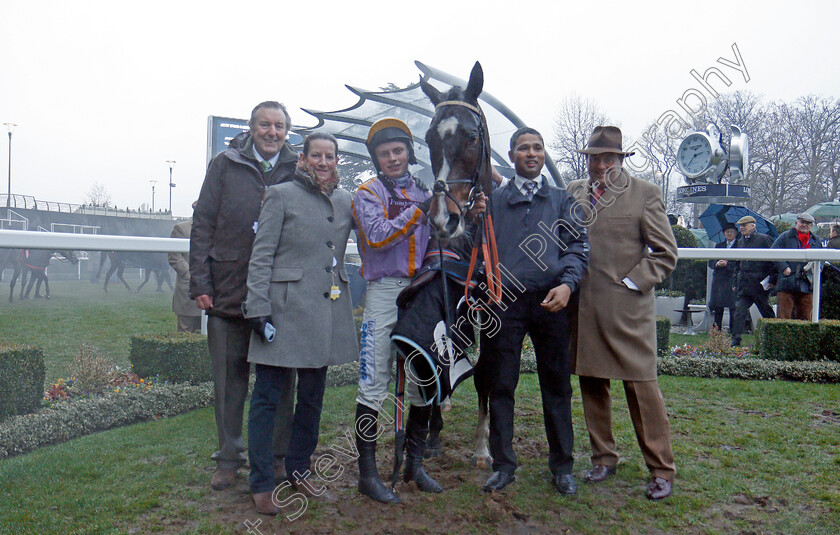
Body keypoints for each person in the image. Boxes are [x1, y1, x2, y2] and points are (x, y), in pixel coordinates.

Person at [243, 133, 358, 515]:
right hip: (283, 310)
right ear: (304, 158)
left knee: (312, 397)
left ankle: (299, 468)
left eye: (330, 156)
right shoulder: (281, 195)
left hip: (326, 312)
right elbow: (261, 256)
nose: (323, 161)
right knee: (267, 398)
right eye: (316, 155)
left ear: (337, 160)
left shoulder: (345, 200)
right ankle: (260, 481)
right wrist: (257, 306)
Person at [190, 101, 297, 491]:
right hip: (227, 291)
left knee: (281, 384)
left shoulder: (297, 168)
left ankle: (275, 457)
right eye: (265, 125)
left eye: (279, 126)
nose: (272, 132)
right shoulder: (225, 164)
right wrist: (200, 282)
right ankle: (229, 458)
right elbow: (202, 223)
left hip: (279, 297)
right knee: (228, 383)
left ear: (287, 131)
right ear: (251, 128)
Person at [568, 126, 678, 501]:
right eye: (593, 158)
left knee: (642, 389)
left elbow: (665, 253)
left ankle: (661, 469)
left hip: (628, 313)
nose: (599, 165)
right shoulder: (573, 192)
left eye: (607, 158)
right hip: (583, 311)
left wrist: (632, 283)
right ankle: (604, 457)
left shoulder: (645, 194)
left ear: (620, 159)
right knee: (592, 384)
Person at [476, 127, 588, 496]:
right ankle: (503, 464)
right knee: (501, 384)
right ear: (511, 156)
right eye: (523, 148)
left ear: (543, 155)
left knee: (556, 385)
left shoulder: (561, 201)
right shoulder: (491, 202)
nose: (531, 153)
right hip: (504, 304)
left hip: (550, 301)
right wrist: (472, 217)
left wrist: (568, 284)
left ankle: (562, 467)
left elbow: (577, 248)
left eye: (537, 148)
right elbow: (471, 248)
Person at [352, 118, 432, 504]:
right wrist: (419, 212)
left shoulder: (425, 190)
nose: (393, 158)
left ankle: (415, 465)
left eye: (398, 150)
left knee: (422, 378)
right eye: (385, 154)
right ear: (376, 159)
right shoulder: (367, 193)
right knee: (374, 377)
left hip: (422, 291)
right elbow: (376, 236)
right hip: (384, 290)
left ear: (409, 151)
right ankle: (367, 474)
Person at [730, 215, 776, 347]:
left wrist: (772, 279)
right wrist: (735, 282)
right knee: (739, 312)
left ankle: (774, 335)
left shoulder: (764, 239)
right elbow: (737, 264)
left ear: (753, 226)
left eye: (744, 225)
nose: (742, 228)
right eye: (741, 226)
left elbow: (774, 260)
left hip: (759, 285)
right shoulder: (740, 242)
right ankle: (736, 339)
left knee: (766, 312)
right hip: (744, 285)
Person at [771, 213, 823, 320]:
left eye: (808, 223)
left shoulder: (816, 240)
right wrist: (784, 267)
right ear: (796, 223)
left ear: (811, 226)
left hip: (807, 285)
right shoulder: (784, 237)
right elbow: (773, 252)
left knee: (806, 318)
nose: (804, 225)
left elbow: (822, 258)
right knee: (783, 318)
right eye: (802, 222)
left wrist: (818, 268)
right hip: (786, 283)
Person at [169, 203, 202, 333]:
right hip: (187, 291)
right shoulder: (181, 229)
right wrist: (190, 275)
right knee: (185, 333)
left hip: (211, 294)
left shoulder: (216, 230)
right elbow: (174, 256)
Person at [708, 222, 739, 331]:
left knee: (733, 306)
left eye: (731, 232)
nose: (729, 234)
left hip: (733, 279)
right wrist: (718, 263)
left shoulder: (740, 246)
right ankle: (717, 328)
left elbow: (741, 263)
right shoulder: (719, 246)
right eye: (727, 232)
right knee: (718, 306)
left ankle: (733, 329)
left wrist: (728, 264)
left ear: (735, 233)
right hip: (719, 280)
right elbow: (710, 262)